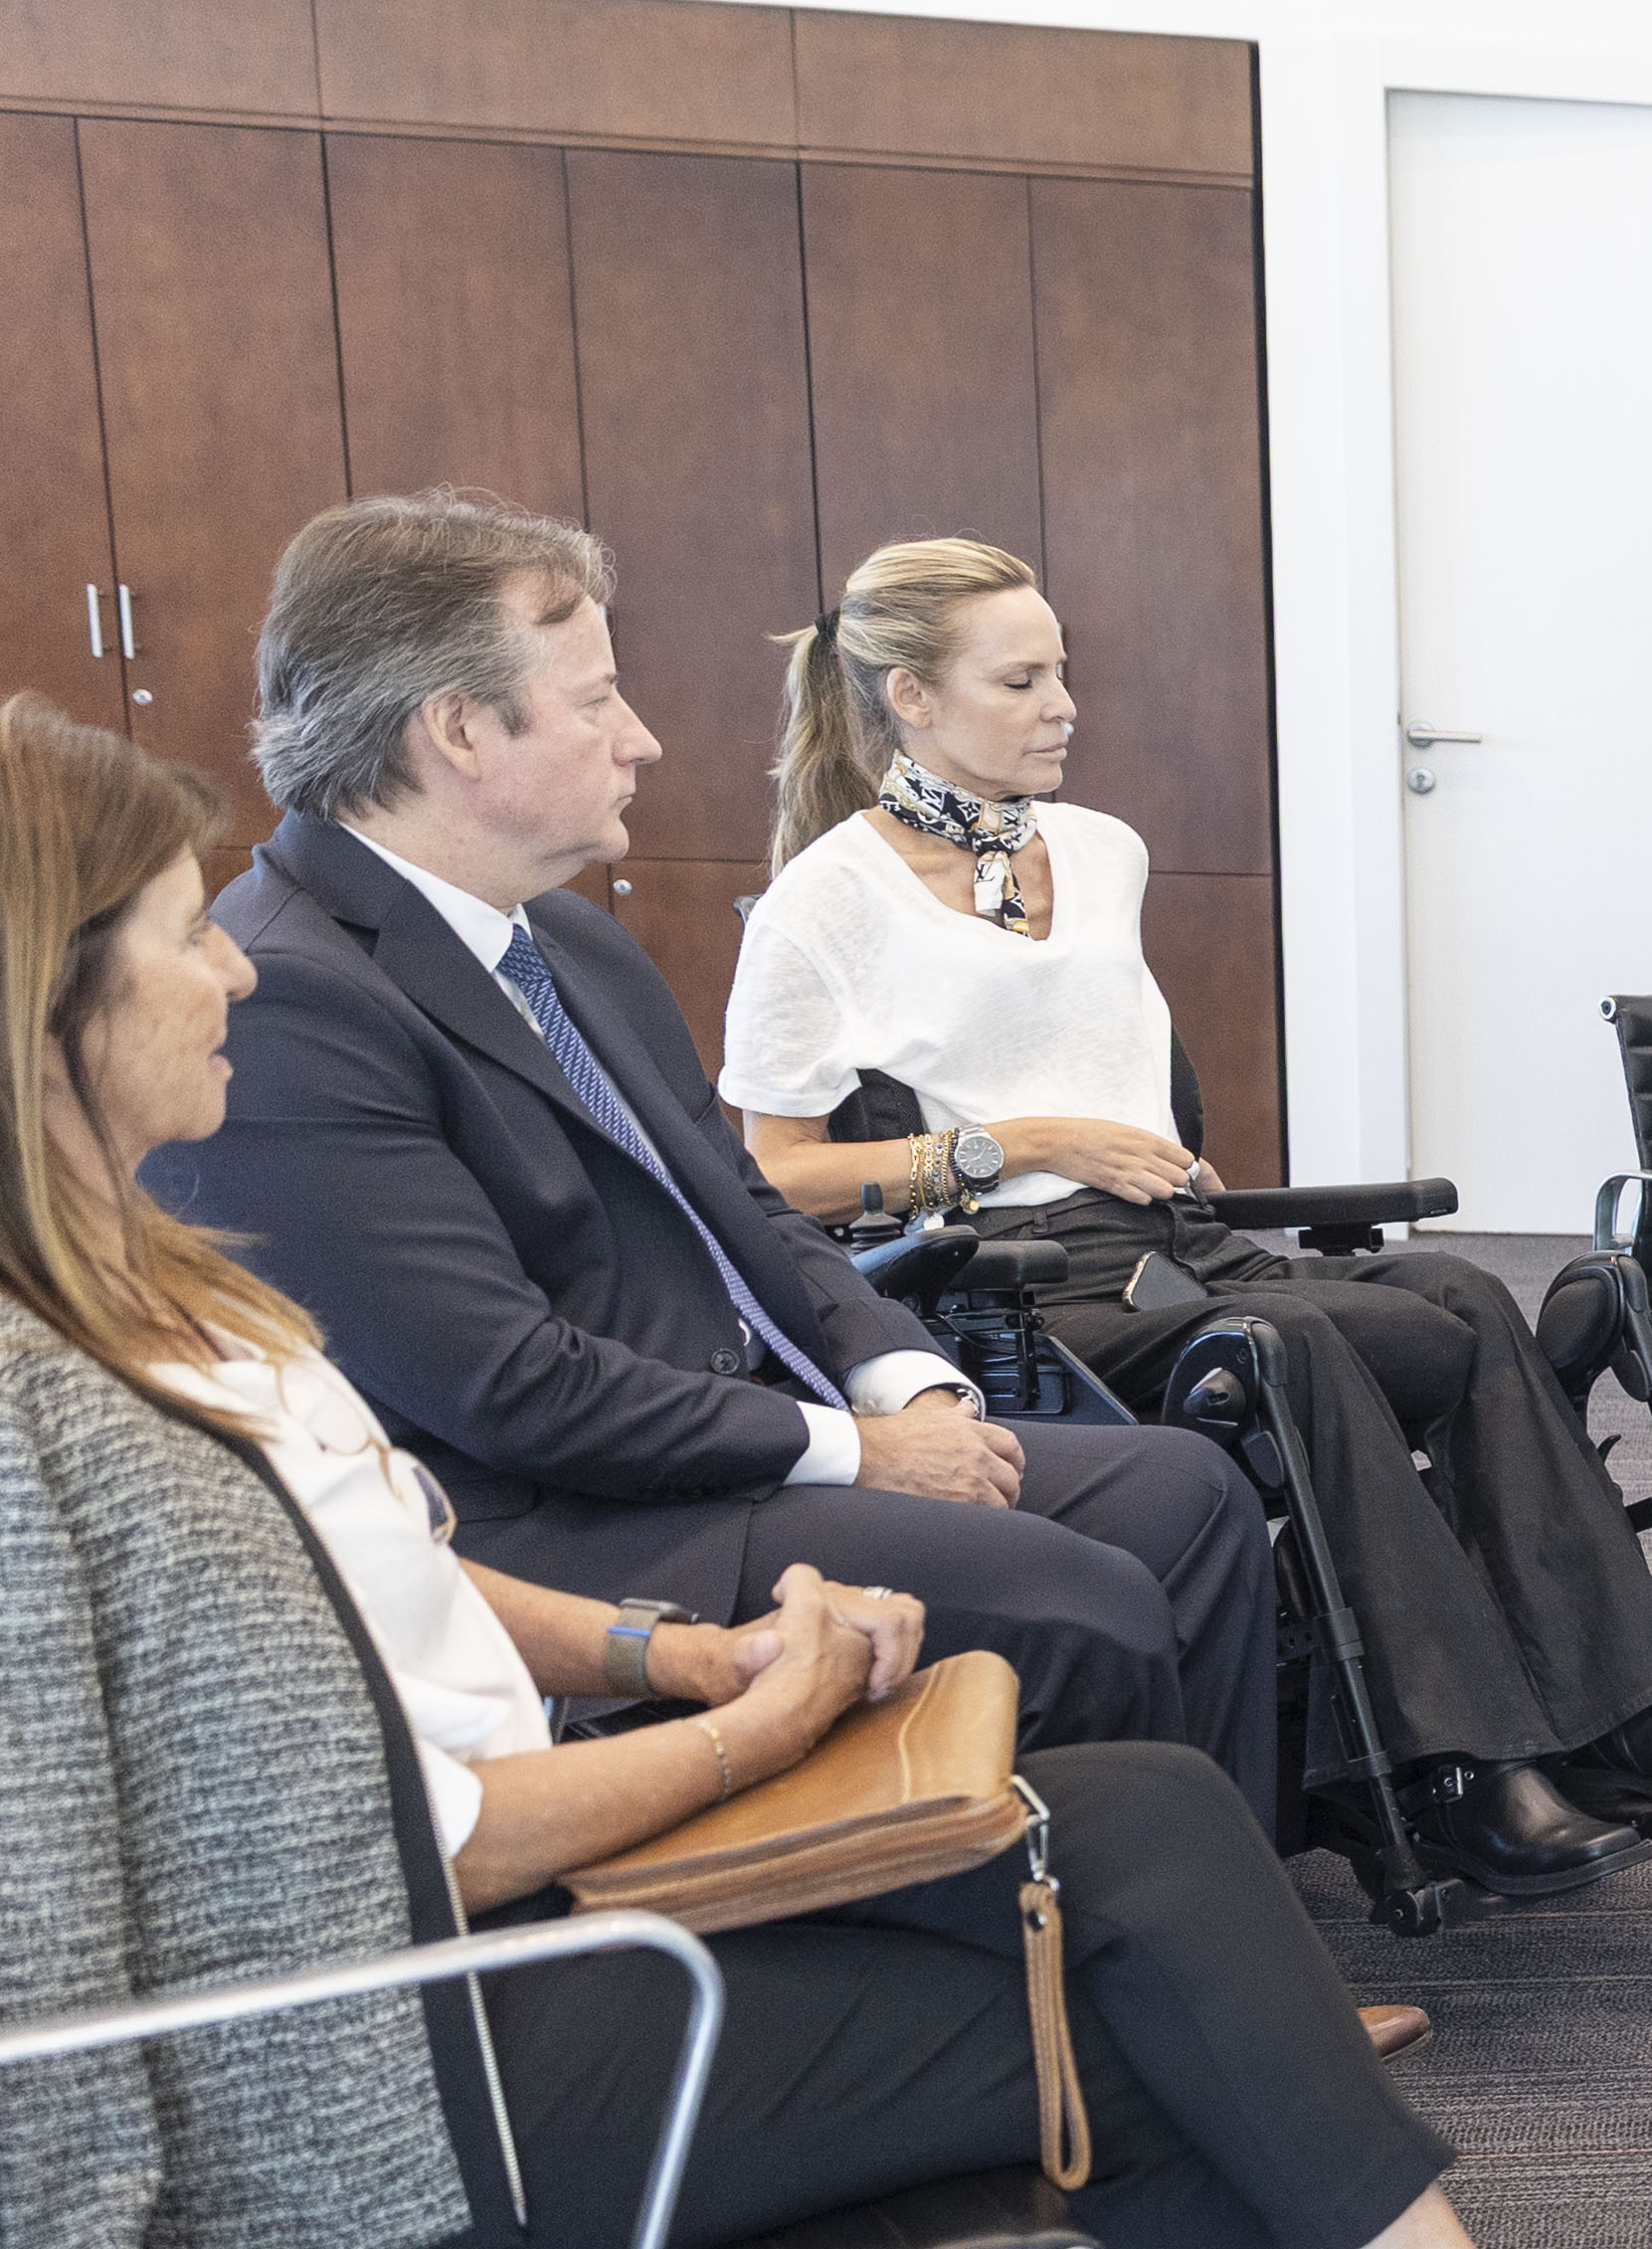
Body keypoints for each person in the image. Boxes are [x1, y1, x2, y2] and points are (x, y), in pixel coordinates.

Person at [0, 692, 1652, 2249]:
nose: (235, 961)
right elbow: (419, 1845)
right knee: (1131, 1998)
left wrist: (668, 1655)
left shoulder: (140, 1294)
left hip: (436, 1981)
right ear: (40, 1000)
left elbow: (387, 1561)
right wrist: (758, 1729)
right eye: (182, 931)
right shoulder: (10, 1409)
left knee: (1132, 1819)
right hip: (346, 2121)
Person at [145, 492, 1283, 1833]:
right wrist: (855, 1451)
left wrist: (909, 1381)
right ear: (458, 730)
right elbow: (508, 1387)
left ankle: (1193, 1904)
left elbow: (747, 1207)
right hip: (569, 1516)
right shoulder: (294, 994)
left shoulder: (567, 940)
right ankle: (1078, 1935)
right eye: (596, 701)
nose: (642, 738)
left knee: (1183, 1491)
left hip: (733, 1430)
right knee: (1078, 1598)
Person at [719, 538, 1652, 1904]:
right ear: (910, 696)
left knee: (1460, 1297)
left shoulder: (1103, 851)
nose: (1064, 705)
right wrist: (1021, 1142)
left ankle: (1621, 1708)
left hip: (1179, 1243)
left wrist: (1130, 1135)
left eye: (1063, 671)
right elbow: (776, 1175)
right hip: (1025, 1285)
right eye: (1020, 681)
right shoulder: (823, 904)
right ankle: (1461, 1766)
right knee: (1292, 1349)